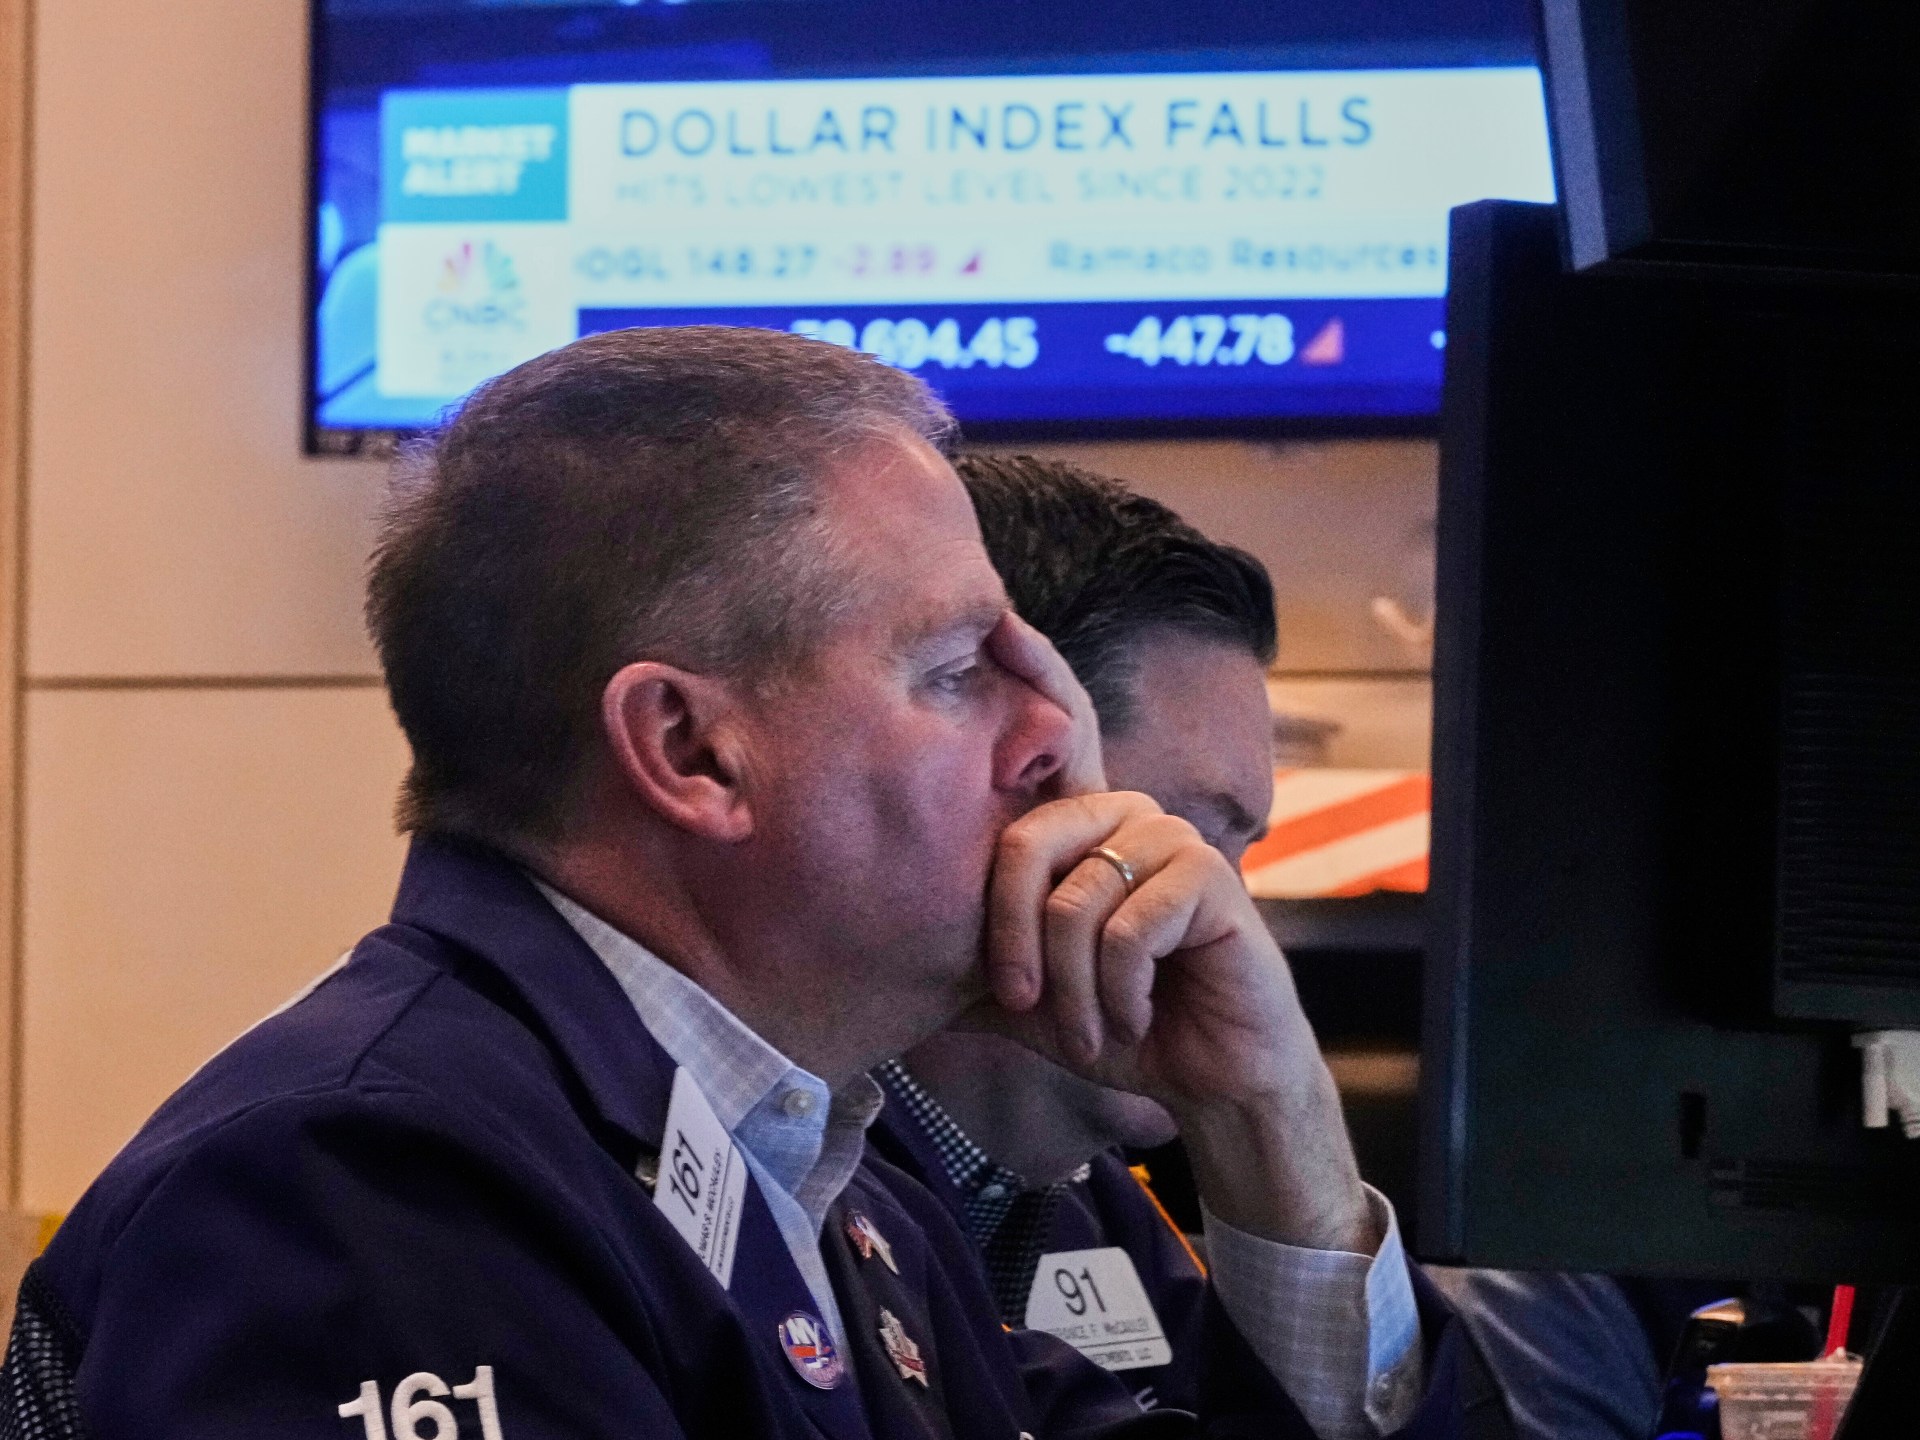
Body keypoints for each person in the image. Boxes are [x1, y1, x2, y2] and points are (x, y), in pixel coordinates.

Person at [7, 328, 1484, 1437]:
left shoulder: (836, 1186)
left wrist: (1268, 1117)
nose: (1060, 741)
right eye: (959, 669)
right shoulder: (374, 1182)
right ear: (691, 750)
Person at [871, 455, 1506, 1439]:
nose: (1230, 928)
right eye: (1187, 841)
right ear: (1004, 781)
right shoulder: (774, 1185)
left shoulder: (1092, 1204)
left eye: (1235, 859)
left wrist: (1277, 1114)